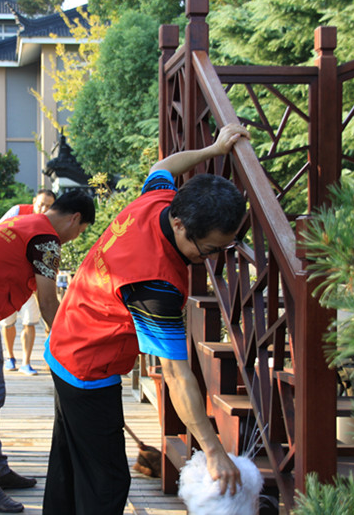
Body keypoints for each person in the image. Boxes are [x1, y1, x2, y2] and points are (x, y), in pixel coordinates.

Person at [42, 124, 250, 515]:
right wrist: (213, 450)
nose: (210, 259)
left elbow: (164, 165)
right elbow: (176, 375)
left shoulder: (160, 200)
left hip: (68, 338)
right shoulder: (155, 283)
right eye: (207, 249)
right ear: (180, 224)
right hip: (86, 364)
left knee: (69, 463)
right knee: (106, 484)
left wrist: (214, 148)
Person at [0, 190, 95, 513]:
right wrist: (69, 346)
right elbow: (48, 302)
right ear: (75, 218)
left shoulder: (25, 221)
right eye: (80, 231)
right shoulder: (47, 241)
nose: (74, 238)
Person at [0, 189, 56, 376]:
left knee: (30, 322)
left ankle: (26, 362)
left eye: (48, 206)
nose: (43, 209)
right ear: (34, 201)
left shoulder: (52, 224)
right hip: (9, 279)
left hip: (32, 282)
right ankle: (10, 357)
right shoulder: (17, 212)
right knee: (8, 323)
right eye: (41, 204)